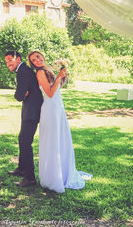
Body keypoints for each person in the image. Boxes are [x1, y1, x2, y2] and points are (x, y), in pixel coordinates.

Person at [28, 51, 92, 193]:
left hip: (58, 107)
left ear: (42, 56)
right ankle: (53, 176)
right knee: (53, 141)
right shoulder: (40, 73)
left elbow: (57, 87)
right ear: (32, 64)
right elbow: (49, 93)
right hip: (50, 109)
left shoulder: (47, 69)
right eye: (33, 60)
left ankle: (63, 171)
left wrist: (63, 76)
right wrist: (58, 77)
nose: (37, 60)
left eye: (38, 56)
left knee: (61, 139)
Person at [5, 51, 43, 187]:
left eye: (10, 60)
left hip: (32, 112)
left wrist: (20, 95)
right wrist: (23, 94)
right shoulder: (24, 70)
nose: (8, 63)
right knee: (22, 140)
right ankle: (21, 169)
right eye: (6, 61)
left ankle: (30, 177)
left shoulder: (23, 71)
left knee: (25, 142)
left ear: (18, 59)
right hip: (29, 110)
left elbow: (19, 95)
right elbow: (23, 93)